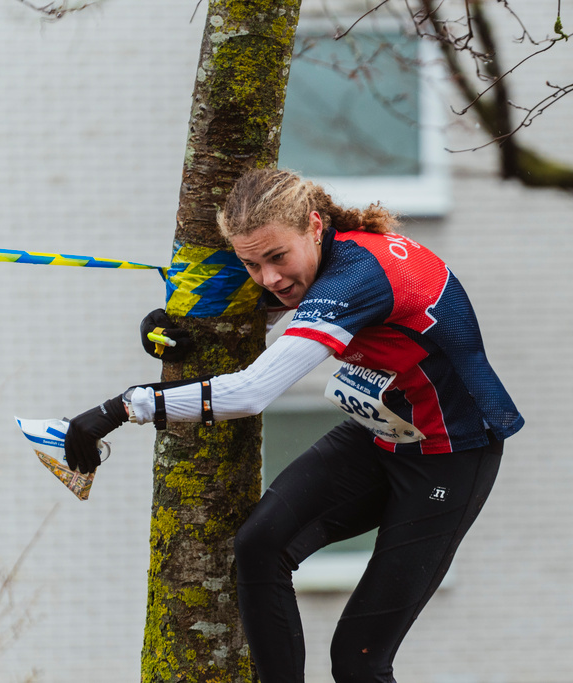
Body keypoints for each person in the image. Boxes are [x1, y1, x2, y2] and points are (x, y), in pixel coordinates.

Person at [63, 168, 524, 683]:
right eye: (250, 264)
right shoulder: (322, 259)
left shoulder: (357, 277)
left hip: (450, 455)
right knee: (259, 545)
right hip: (381, 433)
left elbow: (255, 391)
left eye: (277, 259)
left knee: (359, 662)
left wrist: (123, 408)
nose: (269, 280)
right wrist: (169, 332)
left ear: (314, 225)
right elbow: (240, 325)